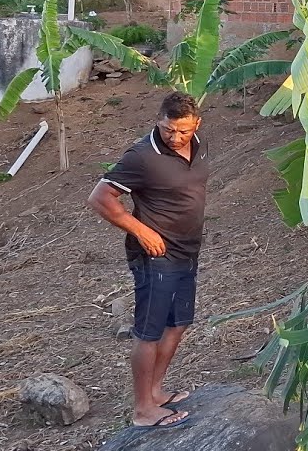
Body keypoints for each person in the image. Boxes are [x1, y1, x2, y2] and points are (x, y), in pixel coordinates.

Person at [87, 91, 210, 429]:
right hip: (155, 256)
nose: (176, 137)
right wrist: (141, 231)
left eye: (183, 130)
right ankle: (142, 410)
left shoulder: (199, 145)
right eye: (169, 129)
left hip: (187, 250)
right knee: (150, 331)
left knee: (178, 323)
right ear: (159, 121)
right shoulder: (142, 156)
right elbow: (100, 197)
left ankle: (156, 392)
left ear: (196, 124)